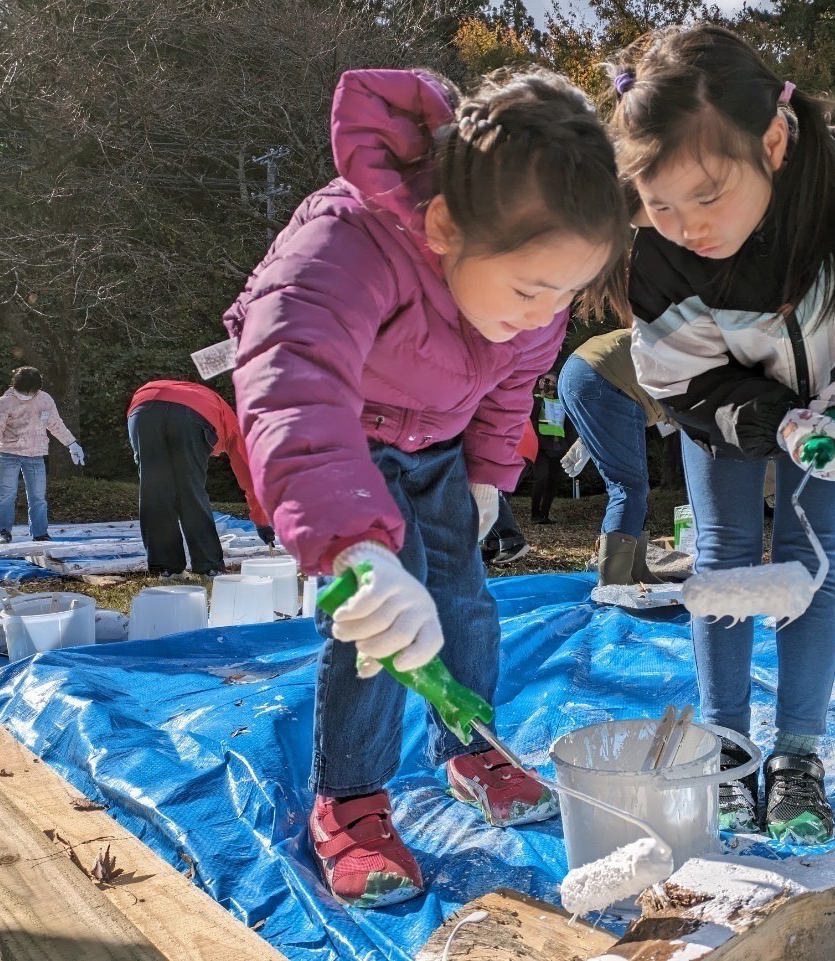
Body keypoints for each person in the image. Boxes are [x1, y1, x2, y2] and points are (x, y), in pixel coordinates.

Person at [223, 67, 628, 907]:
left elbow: (515, 382)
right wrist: (354, 545)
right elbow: (293, 383)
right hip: (344, 447)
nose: (543, 312)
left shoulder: (532, 301)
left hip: (438, 448)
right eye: (529, 288)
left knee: (466, 603)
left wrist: (489, 476)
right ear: (445, 226)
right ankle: (353, 797)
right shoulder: (344, 243)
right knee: (377, 627)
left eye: (565, 293)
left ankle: (470, 741)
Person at [610, 24, 835, 841]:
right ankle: (727, 748)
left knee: (813, 562)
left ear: (772, 141)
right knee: (724, 554)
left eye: (707, 196)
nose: (686, 225)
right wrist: (770, 420)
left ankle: (797, 755)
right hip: (726, 407)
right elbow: (681, 377)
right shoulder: (661, 252)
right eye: (658, 203)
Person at [126, 380, 274, 577]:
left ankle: (166, 568)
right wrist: (262, 523)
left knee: (154, 491)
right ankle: (209, 567)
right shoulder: (233, 427)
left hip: (143, 408)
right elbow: (252, 479)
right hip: (194, 413)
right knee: (190, 491)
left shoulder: (212, 404)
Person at [558, 328, 667, 587]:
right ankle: (615, 583)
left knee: (634, 486)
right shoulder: (712, 365)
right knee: (629, 487)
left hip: (581, 374)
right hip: (606, 381)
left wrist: (588, 438)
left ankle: (634, 570)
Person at [0, 366, 84, 544]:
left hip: (36, 454)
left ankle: (40, 533)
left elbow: (56, 424)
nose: (26, 395)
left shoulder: (45, 400)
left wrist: (72, 443)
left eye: (30, 392)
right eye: (22, 392)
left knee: (38, 497)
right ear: (15, 386)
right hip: (9, 454)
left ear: (37, 389)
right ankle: (3, 532)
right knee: (5, 494)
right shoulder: (5, 402)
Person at [483, 420, 537, 566]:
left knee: (484, 490)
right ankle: (493, 545)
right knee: (498, 495)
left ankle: (511, 541)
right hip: (522, 444)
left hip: (509, 443)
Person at [529, 372, 570, 523]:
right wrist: (541, 395)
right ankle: (535, 514)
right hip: (539, 446)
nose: (551, 385)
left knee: (553, 481)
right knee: (542, 477)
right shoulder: (534, 399)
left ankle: (544, 515)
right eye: (548, 381)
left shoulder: (561, 402)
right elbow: (530, 417)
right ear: (540, 382)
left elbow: (566, 425)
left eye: (554, 382)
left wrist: (567, 444)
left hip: (558, 446)